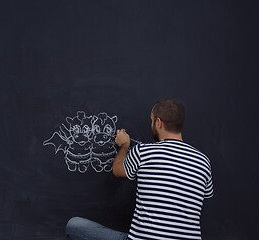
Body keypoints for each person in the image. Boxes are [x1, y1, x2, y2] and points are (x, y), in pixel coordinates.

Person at [66, 98, 213, 240]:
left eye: (151, 120)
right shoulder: (203, 161)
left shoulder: (143, 151)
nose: (151, 125)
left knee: (74, 225)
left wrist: (124, 146)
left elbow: (117, 170)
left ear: (159, 122)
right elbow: (205, 196)